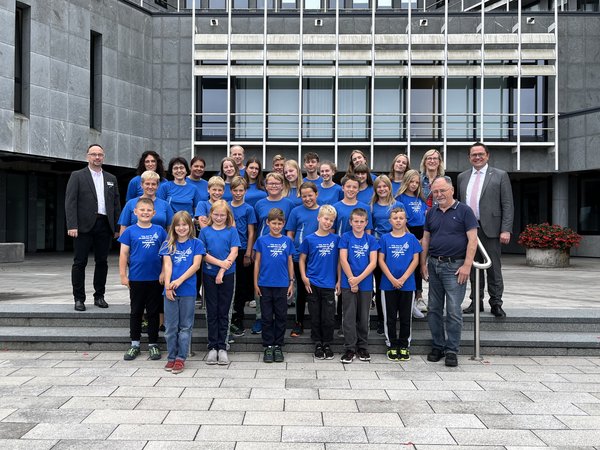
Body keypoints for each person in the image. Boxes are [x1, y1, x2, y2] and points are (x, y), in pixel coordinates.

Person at [420, 176, 478, 367]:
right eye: (435, 192)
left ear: (452, 189)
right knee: (434, 309)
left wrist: (467, 265)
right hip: (434, 265)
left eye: (442, 190)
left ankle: (452, 350)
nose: (439, 195)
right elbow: (426, 239)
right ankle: (438, 345)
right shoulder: (431, 212)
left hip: (455, 267)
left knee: (453, 311)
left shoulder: (464, 211)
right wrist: (423, 263)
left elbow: (472, 240)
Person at [457, 142, 514, 318]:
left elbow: (507, 204)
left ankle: (496, 302)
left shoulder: (500, 175)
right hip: (469, 230)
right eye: (474, 154)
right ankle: (476, 301)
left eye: (481, 154)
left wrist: (506, 229)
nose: (477, 157)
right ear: (469, 157)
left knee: (493, 268)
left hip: (492, 230)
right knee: (473, 267)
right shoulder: (462, 177)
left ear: (487, 155)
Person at [65, 144, 121, 311]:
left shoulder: (112, 178)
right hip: (83, 226)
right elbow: (70, 202)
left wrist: (117, 227)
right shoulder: (77, 176)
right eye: (94, 154)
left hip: (105, 225)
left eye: (100, 155)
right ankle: (79, 299)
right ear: (87, 156)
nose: (97, 157)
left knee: (102, 262)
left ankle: (99, 296)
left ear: (103, 157)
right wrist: (72, 225)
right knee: (79, 262)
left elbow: (116, 204)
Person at [118, 197, 167, 361]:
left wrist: (163, 273)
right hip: (137, 279)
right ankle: (135, 344)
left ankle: (153, 344)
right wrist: (123, 275)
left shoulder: (160, 230)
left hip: (155, 279)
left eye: (148, 210)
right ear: (136, 212)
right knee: (136, 311)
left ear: (154, 213)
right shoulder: (130, 231)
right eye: (142, 210)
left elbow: (166, 254)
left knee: (153, 312)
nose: (145, 213)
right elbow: (123, 254)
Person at [160, 211, 205, 374]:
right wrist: (168, 287)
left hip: (187, 291)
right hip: (170, 291)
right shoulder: (168, 244)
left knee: (185, 326)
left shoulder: (197, 243)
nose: (181, 228)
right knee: (171, 327)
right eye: (178, 225)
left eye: (184, 224)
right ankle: (171, 357)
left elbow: (196, 266)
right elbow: (168, 266)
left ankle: (181, 358)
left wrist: (178, 281)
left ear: (190, 226)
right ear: (173, 227)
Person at [199, 200, 240, 365]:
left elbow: (234, 251)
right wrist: (219, 264)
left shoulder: (232, 231)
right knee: (212, 310)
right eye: (216, 214)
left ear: (227, 215)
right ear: (211, 215)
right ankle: (212, 347)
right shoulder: (205, 231)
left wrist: (223, 270)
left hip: (228, 275)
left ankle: (222, 346)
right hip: (209, 274)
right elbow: (202, 253)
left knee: (224, 310)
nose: (219, 217)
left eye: (222, 215)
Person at [253, 172, 295, 333]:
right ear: (265, 185)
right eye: (270, 183)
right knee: (262, 286)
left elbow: (290, 225)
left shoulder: (289, 204)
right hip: (264, 247)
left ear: (282, 185)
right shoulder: (259, 204)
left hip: (282, 248)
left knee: (280, 292)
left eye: (277, 183)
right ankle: (259, 318)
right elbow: (257, 227)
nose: (273, 186)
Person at [379, 207, 422, 362]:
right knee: (389, 317)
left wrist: (403, 278)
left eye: (401, 218)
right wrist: (392, 278)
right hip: (387, 284)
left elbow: (415, 260)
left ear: (405, 220)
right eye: (395, 218)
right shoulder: (384, 238)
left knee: (405, 317)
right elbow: (380, 260)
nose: (398, 221)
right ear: (390, 221)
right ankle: (391, 344)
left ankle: (404, 345)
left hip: (407, 284)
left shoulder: (411, 239)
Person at [299, 205, 340, 360]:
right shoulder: (309, 239)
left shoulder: (336, 239)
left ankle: (327, 343)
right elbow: (302, 259)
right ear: (318, 218)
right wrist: (304, 277)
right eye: (325, 219)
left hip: (329, 284)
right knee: (315, 315)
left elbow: (339, 262)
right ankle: (317, 343)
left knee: (328, 317)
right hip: (313, 283)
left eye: (331, 220)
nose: (328, 222)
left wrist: (339, 280)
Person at [253, 208, 295, 363]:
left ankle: (278, 344)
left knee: (281, 315)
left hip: (282, 284)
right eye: (274, 223)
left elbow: (290, 262)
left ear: (283, 224)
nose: (276, 226)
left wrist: (291, 282)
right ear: (267, 223)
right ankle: (268, 346)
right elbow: (257, 262)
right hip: (265, 284)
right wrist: (255, 283)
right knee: (266, 316)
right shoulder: (262, 241)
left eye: (279, 223)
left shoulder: (287, 241)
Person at [338, 208, 379, 364]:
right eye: (356, 221)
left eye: (362, 221)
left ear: (366, 223)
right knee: (348, 316)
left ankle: (362, 346)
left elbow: (373, 262)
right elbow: (343, 259)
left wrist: (358, 280)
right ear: (350, 222)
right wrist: (351, 279)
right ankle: (349, 348)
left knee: (363, 317)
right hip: (347, 283)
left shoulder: (371, 240)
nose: (359, 224)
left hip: (366, 284)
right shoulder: (345, 238)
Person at [370, 175, 408, 327]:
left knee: (397, 282)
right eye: (379, 186)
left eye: (385, 186)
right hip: (379, 249)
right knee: (381, 285)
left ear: (389, 187)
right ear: (375, 189)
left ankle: (398, 316)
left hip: (396, 249)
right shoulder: (372, 207)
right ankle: (381, 319)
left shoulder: (398, 204)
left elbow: (404, 226)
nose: (382, 189)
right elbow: (370, 229)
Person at [285, 182, 320, 338]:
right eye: (304, 196)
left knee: (316, 292)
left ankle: (316, 323)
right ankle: (298, 322)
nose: (307, 198)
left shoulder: (322, 211)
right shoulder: (296, 211)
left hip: (318, 259)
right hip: (299, 257)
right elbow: (290, 234)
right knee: (301, 292)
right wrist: (292, 251)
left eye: (310, 195)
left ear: (316, 194)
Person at [397, 169, 429, 314]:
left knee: (419, 266)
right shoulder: (400, 198)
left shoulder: (421, 199)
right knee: (407, 265)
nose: (414, 184)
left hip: (421, 234)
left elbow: (426, 218)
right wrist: (412, 238)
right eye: (412, 181)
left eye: (417, 182)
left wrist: (424, 238)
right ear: (406, 181)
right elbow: (400, 220)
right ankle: (405, 297)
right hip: (407, 233)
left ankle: (419, 296)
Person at [229, 176, 257, 336]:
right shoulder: (226, 206)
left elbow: (251, 231)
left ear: (245, 191)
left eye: (241, 190)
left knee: (240, 286)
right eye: (235, 190)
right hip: (228, 251)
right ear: (231, 191)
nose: (238, 193)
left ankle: (238, 318)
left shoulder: (248, 209)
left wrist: (248, 252)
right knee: (230, 285)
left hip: (242, 249)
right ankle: (230, 317)